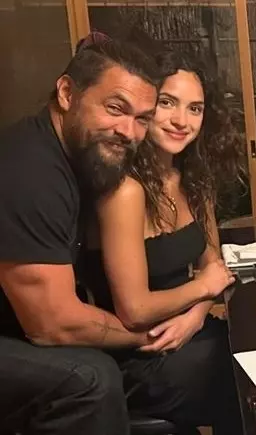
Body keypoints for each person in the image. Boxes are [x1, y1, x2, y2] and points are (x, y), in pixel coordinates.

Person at [0, 35, 161, 435]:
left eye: (142, 119)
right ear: (67, 93)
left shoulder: (76, 159)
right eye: (115, 108)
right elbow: (53, 324)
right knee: (90, 380)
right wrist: (147, 334)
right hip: (24, 329)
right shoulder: (29, 170)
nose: (128, 131)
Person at [80, 49, 244, 434]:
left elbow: (212, 266)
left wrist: (195, 316)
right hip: (141, 352)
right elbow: (135, 310)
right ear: (146, 107)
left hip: (190, 331)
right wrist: (202, 290)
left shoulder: (194, 180)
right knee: (244, 379)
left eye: (195, 109)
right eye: (167, 103)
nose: (181, 121)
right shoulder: (124, 191)